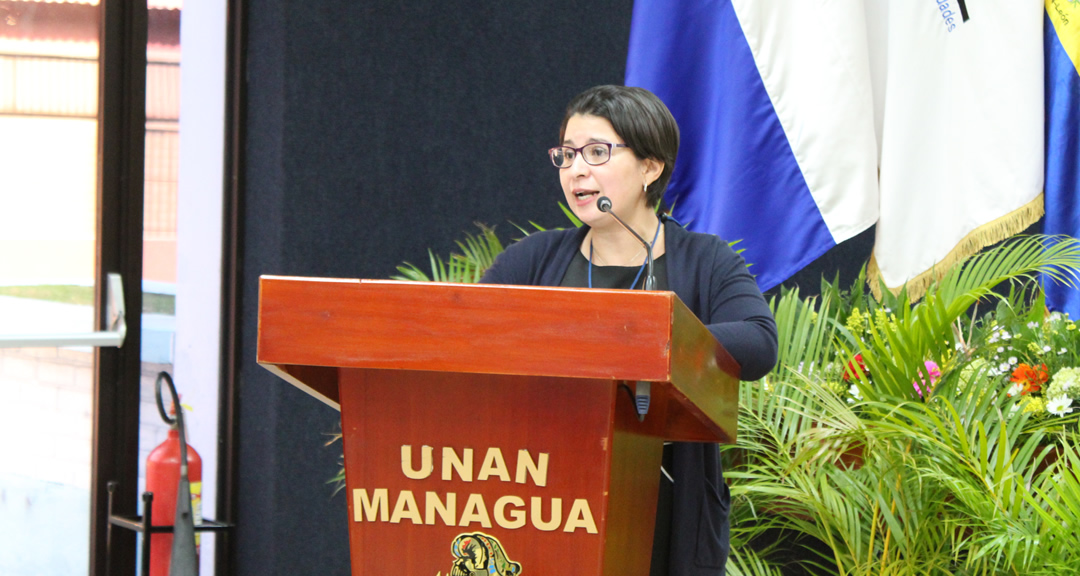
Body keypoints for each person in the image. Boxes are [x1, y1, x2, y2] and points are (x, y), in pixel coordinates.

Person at [480, 84, 778, 576]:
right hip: (540, 498)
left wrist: (644, 339)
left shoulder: (705, 262)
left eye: (597, 152)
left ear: (649, 167)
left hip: (664, 507)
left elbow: (758, 341)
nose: (577, 169)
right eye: (567, 155)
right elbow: (463, 332)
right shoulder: (533, 259)